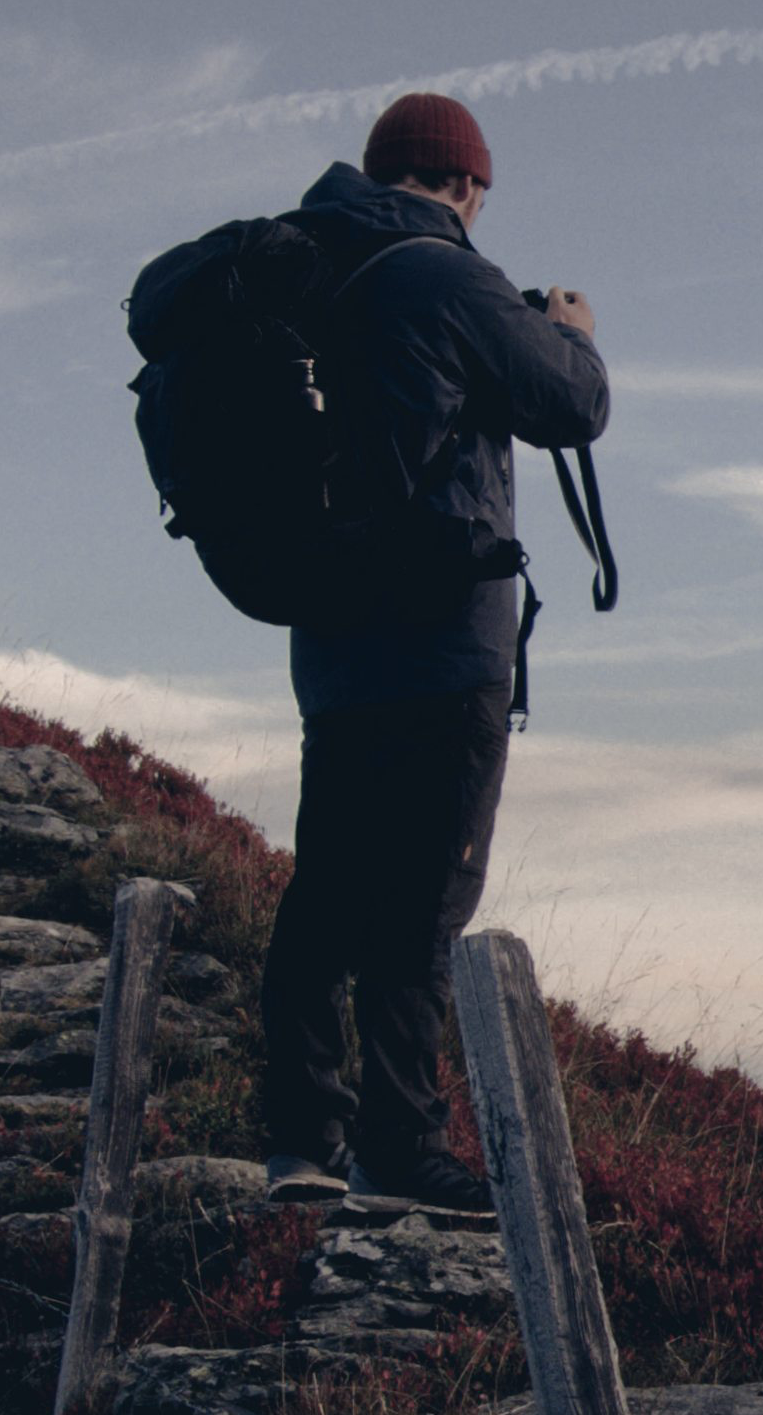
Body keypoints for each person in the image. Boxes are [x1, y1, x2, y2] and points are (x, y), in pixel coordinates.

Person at [258, 92, 609, 1218]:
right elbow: (573, 404)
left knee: (328, 885)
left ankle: (300, 1138)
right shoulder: (445, 275)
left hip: (333, 644)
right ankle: (400, 1146)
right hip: (444, 640)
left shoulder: (307, 271)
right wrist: (572, 331)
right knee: (421, 902)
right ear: (465, 184)